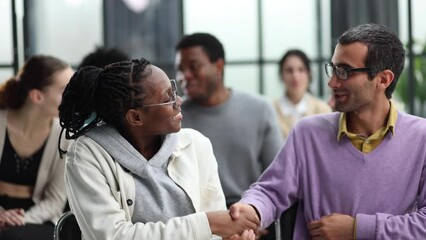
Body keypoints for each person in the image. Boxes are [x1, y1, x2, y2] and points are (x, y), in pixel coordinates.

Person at [230, 23, 426, 239]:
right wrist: (250, 211)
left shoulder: (421, 138)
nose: (332, 82)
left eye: (344, 72)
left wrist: (357, 229)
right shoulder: (307, 133)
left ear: (383, 79)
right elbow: (270, 192)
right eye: (333, 69)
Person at [58, 58, 259, 240]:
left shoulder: (197, 145)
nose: (178, 102)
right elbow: (114, 236)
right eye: (167, 98)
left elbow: (216, 231)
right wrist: (209, 223)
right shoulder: (86, 155)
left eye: (174, 91)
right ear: (136, 117)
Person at [175, 33, 283, 239]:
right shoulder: (174, 118)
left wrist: (255, 214)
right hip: (197, 222)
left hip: (250, 212)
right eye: (181, 69)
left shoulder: (259, 109)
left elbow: (277, 176)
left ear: (219, 66)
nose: (184, 76)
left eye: (194, 66)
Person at [0, 55, 73, 239]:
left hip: (37, 220)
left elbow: (55, 201)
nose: (73, 97)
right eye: (65, 90)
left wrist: (18, 220)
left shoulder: (65, 136)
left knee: (14, 236)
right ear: (37, 96)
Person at [274, 49, 331, 139]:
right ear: (281, 75)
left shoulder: (323, 110)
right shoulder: (271, 111)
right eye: (289, 70)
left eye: (301, 70)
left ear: (309, 74)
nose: (295, 76)